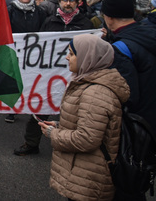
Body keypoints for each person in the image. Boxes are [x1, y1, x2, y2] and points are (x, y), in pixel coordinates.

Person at [39, 35, 129, 201]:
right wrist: (60, 125)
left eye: (72, 54)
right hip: (83, 174)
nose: (67, 57)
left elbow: (87, 138)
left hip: (89, 178)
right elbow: (90, 124)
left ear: (89, 58)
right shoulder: (86, 83)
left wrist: (54, 134)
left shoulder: (95, 93)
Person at [14, 0, 94, 157]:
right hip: (49, 75)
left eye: (71, 0)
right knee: (41, 106)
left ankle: (70, 142)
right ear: (59, 1)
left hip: (75, 75)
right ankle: (31, 143)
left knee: (74, 111)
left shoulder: (86, 24)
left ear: (78, 2)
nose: (68, 4)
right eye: (65, 0)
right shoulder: (50, 21)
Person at [102, 0, 156, 144]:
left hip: (140, 126)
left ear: (109, 17)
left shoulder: (121, 48)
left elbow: (127, 94)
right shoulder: (150, 33)